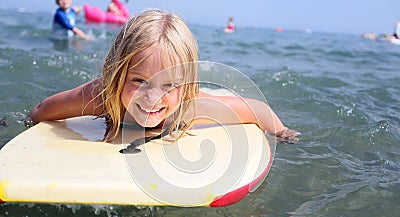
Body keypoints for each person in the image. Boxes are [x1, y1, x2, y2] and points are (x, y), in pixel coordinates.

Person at [29, 10, 299, 143]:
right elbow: (42, 110)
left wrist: (284, 134)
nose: (152, 97)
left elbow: (258, 110)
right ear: (116, 74)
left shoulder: (193, 106)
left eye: (169, 84)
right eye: (138, 80)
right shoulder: (101, 97)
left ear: (187, 86)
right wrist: (26, 126)